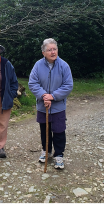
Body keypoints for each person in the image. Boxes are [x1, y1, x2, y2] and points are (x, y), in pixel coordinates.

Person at [28, 38, 73, 169]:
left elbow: (68, 85)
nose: (53, 52)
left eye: (55, 49)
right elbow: (33, 83)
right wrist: (43, 96)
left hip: (58, 106)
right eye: (50, 50)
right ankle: (46, 151)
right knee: (44, 129)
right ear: (43, 52)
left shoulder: (64, 65)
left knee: (59, 131)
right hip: (43, 105)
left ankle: (59, 155)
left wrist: (52, 96)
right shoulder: (38, 65)